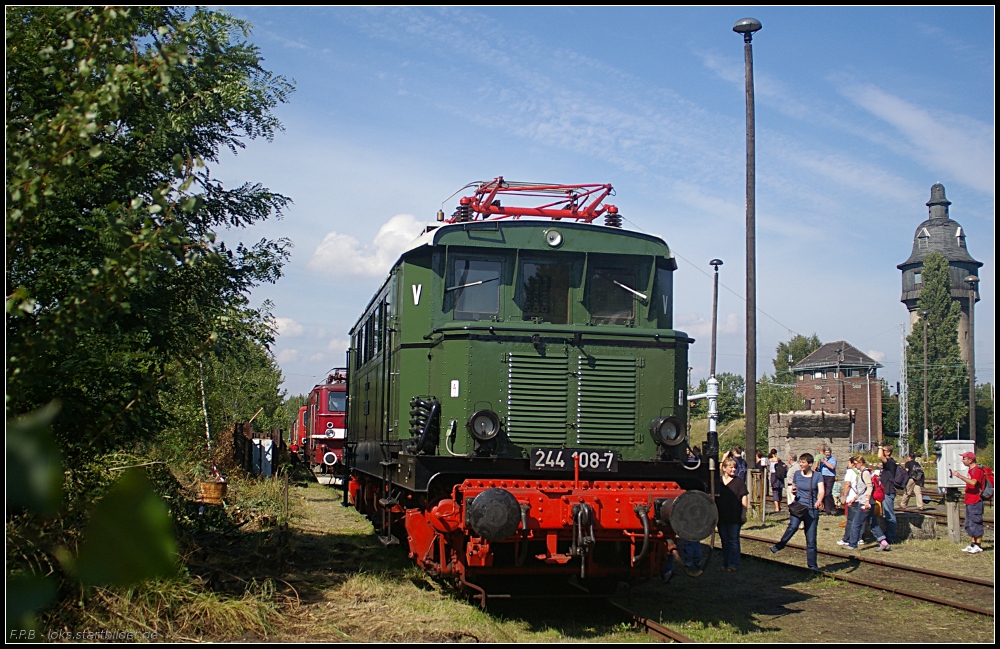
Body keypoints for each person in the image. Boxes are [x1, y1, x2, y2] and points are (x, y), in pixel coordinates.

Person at [770, 453, 825, 571]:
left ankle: (812, 566)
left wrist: (819, 500)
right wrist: (793, 490)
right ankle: (780, 545)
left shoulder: (818, 476)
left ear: (810, 464)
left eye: (803, 462)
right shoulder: (797, 474)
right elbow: (794, 486)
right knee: (793, 526)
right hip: (799, 507)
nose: (801, 464)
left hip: (811, 510)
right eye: (800, 462)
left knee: (811, 539)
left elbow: (821, 491)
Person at [846, 456, 891, 552]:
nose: (855, 465)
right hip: (867, 501)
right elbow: (862, 490)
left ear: (861, 462)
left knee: (856, 523)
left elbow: (869, 487)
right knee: (872, 523)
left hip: (865, 503)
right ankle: (883, 542)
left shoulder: (865, 473)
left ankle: (853, 544)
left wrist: (866, 500)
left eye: (856, 463)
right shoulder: (864, 473)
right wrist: (854, 498)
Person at [717, 457, 749, 571]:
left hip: (734, 515)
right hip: (721, 516)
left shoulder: (739, 482)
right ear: (724, 468)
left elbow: (744, 498)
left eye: (735, 467)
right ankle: (725, 564)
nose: (734, 469)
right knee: (724, 541)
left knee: (733, 540)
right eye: (731, 467)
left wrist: (743, 513)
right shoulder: (719, 482)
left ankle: (733, 564)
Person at [951, 451, 985, 554]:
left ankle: (978, 545)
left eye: (964, 459)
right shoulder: (971, 470)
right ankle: (973, 544)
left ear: (970, 460)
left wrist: (959, 476)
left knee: (976, 522)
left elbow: (973, 483)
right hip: (970, 500)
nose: (962, 460)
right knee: (970, 523)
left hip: (976, 500)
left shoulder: (977, 471)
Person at [877, 445, 902, 543]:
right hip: (885, 492)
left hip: (888, 492)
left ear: (888, 453)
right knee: (885, 515)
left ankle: (892, 537)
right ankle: (888, 535)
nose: (882, 452)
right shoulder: (887, 464)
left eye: (884, 451)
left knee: (890, 515)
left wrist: (879, 447)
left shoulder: (890, 462)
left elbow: (879, 457)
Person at [837, 456, 863, 546]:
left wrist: (844, 496)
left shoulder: (850, 472)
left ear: (852, 463)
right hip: (860, 497)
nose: (848, 464)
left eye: (849, 462)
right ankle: (859, 538)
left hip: (852, 498)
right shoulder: (861, 471)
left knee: (851, 520)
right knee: (860, 519)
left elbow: (847, 484)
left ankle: (846, 539)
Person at [817, 446, 838, 515]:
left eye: (828, 452)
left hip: (830, 476)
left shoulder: (833, 459)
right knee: (823, 493)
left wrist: (824, 462)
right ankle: (827, 510)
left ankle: (833, 508)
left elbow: (832, 467)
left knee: (828, 493)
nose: (827, 454)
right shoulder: (822, 459)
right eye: (826, 452)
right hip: (823, 476)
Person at [768, 449, 786, 513]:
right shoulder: (779, 460)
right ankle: (779, 505)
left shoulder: (770, 460)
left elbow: (768, 469)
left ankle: (776, 507)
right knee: (779, 490)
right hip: (780, 476)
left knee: (775, 491)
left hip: (773, 475)